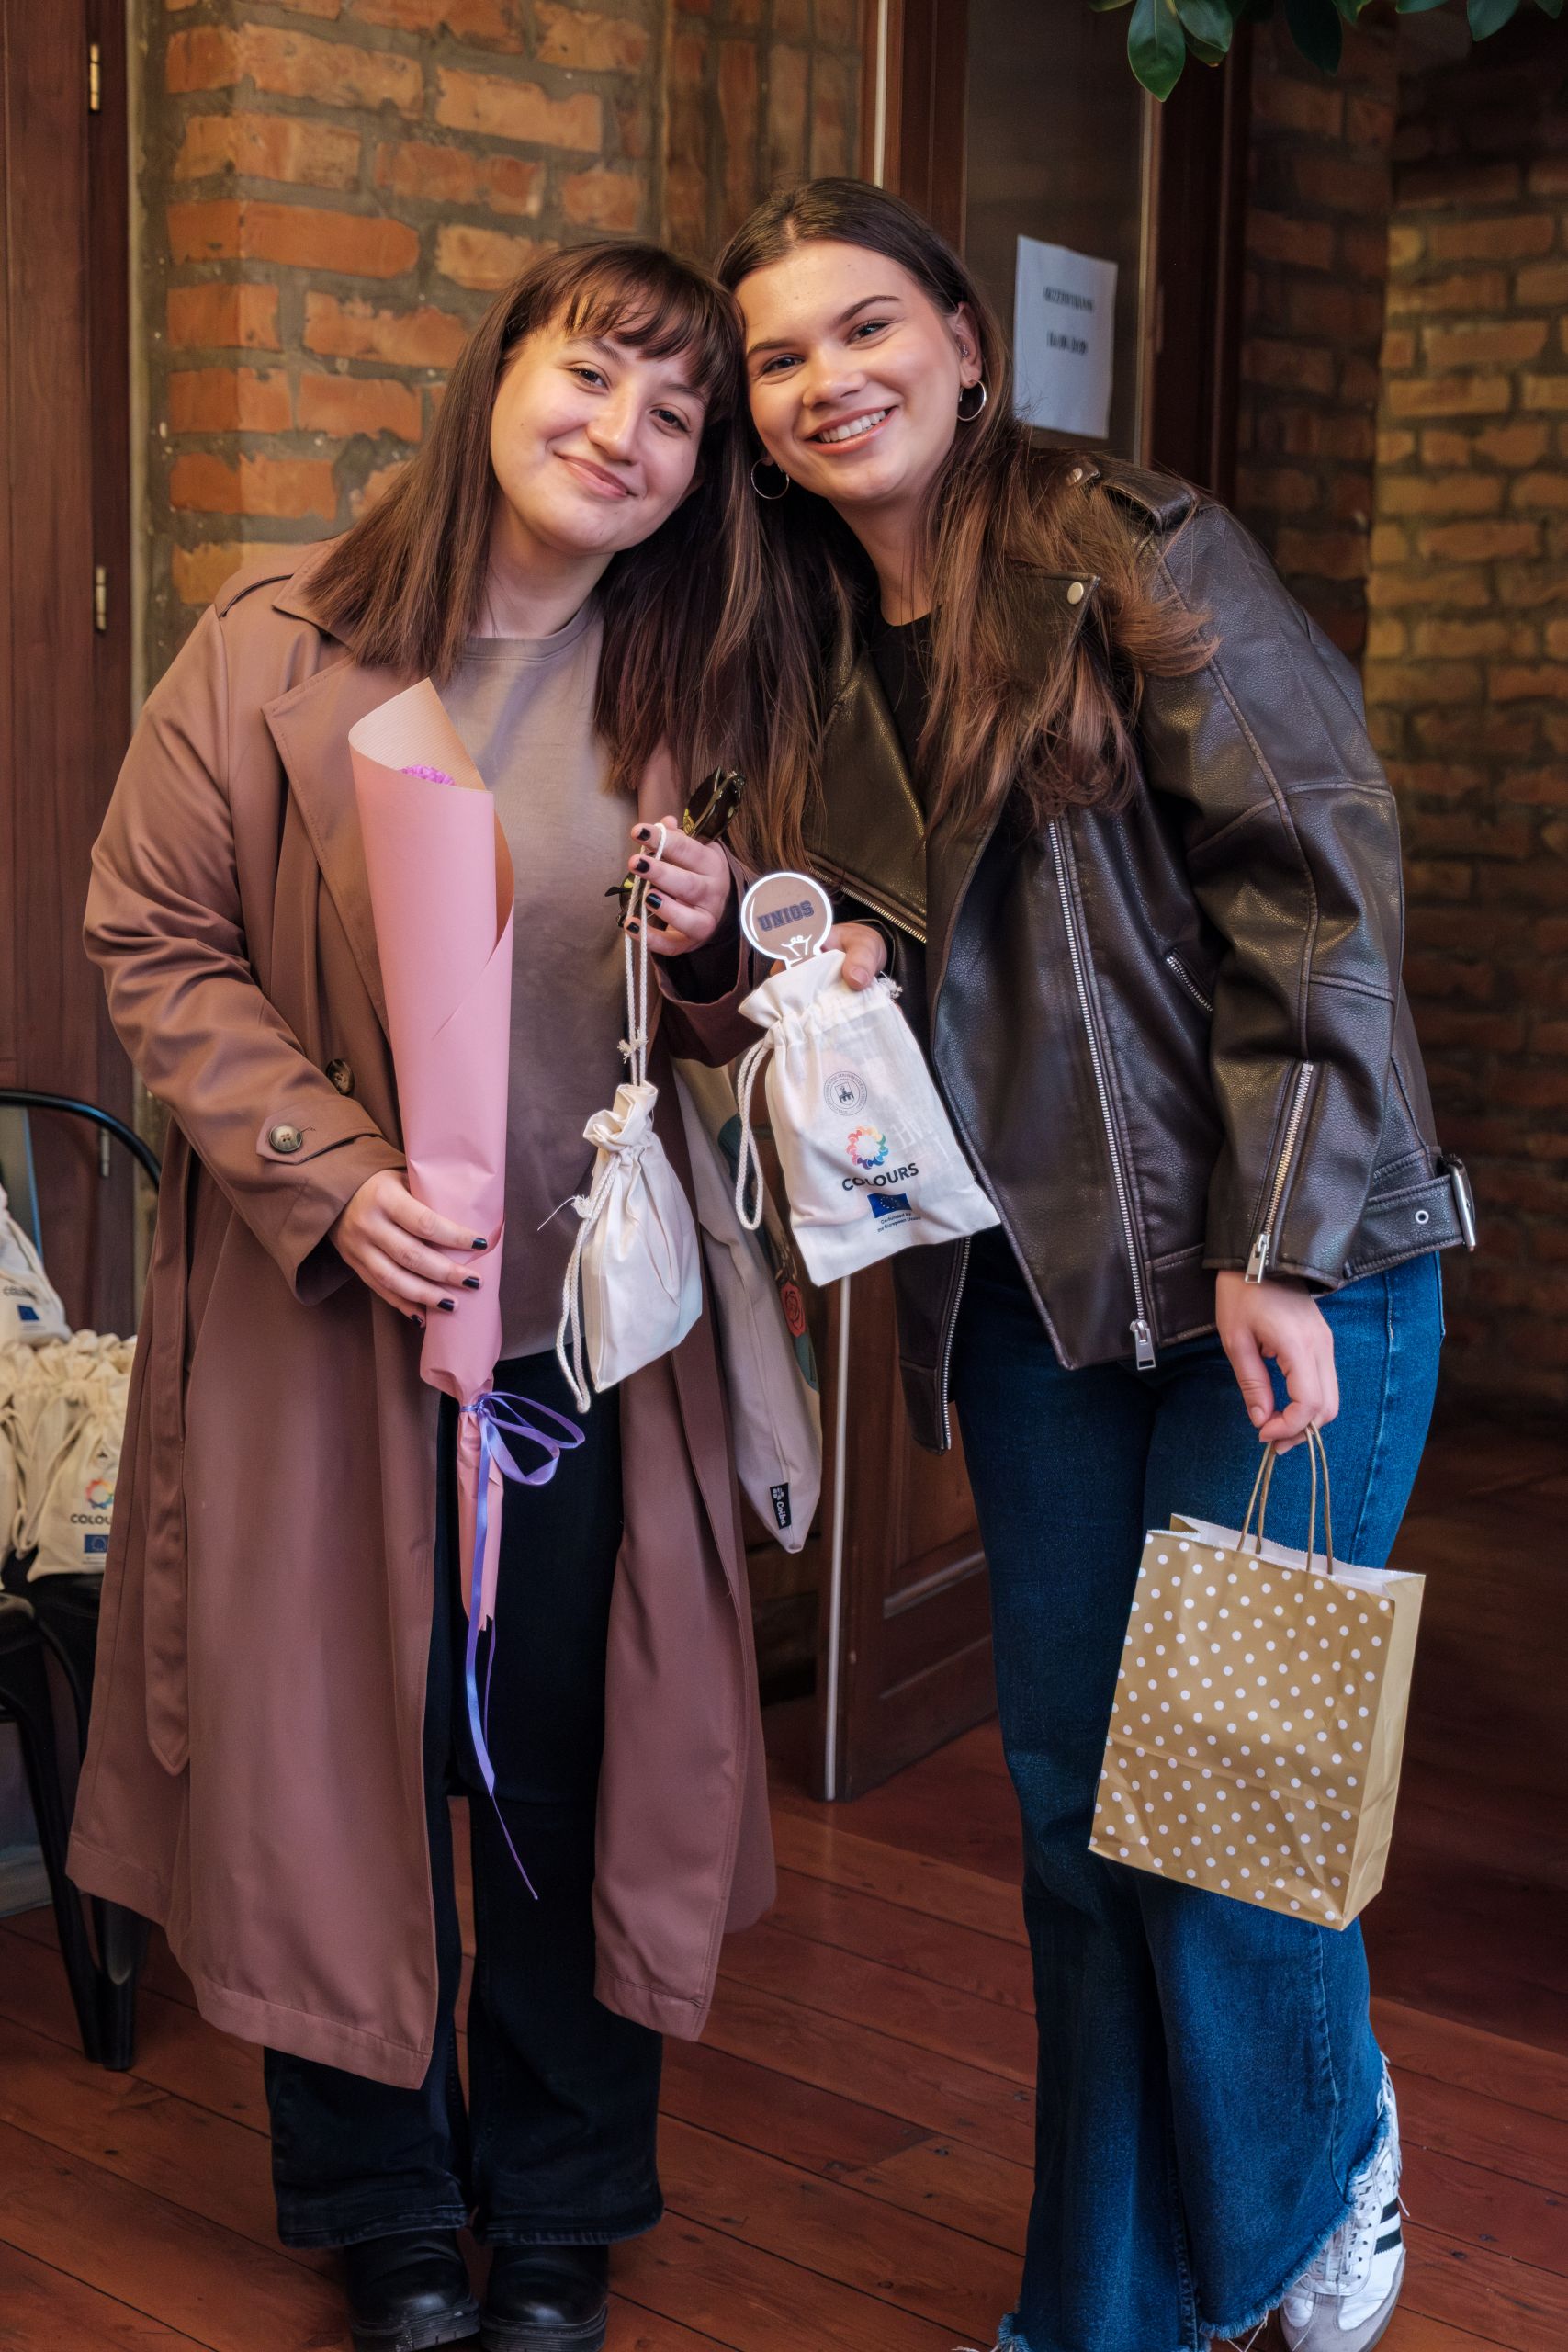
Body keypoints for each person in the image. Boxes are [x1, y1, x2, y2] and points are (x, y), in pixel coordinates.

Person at [716, 179, 1472, 2352]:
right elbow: (828, 973)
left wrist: (1277, 1238)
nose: (828, 378)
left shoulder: (1133, 551)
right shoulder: (792, 644)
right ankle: (1094, 2313)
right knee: (1075, 1829)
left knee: (1216, 1812)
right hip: (1033, 1298)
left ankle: (1318, 2154)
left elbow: (1315, 888)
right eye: (779, 355)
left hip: (1276, 1271)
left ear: (963, 340)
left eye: (867, 325)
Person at [70, 240, 773, 2352]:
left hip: (595, 1337)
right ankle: (379, 2207)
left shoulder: (699, 689)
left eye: (676, 414)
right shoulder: (271, 643)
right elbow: (151, 936)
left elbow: (767, 1010)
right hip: (325, 1318)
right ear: (497, 376)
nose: (624, 435)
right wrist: (328, 1165)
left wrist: (719, 934)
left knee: (568, 1765)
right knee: (331, 1765)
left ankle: (558, 2204)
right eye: (591, 376)